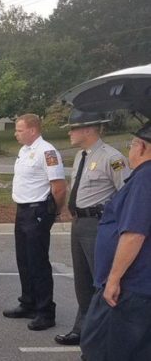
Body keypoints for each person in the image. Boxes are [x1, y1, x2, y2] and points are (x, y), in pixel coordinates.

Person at [54, 110, 130, 346]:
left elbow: (125, 193)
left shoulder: (112, 157)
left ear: (88, 129)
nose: (69, 132)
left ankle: (105, 333)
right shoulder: (80, 156)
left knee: (101, 279)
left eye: (73, 128)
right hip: (79, 222)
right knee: (82, 280)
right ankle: (83, 329)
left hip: (98, 224)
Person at [80, 122, 151, 361]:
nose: (129, 150)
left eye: (131, 144)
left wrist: (113, 279)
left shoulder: (144, 179)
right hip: (141, 284)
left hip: (130, 286)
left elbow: (134, 234)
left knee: (102, 347)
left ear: (141, 147)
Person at [3, 113, 67, 331]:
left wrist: (53, 213)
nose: (16, 134)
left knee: (38, 262)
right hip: (22, 210)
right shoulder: (24, 150)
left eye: (19, 130)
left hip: (38, 211)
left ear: (32, 130)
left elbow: (58, 187)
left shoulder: (47, 152)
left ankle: (45, 311)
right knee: (24, 260)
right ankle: (28, 302)